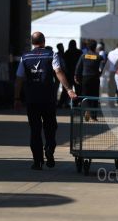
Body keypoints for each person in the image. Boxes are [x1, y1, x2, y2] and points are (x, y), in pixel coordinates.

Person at [14, 32, 77, 170]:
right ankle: (49, 148)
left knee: (35, 130)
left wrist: (17, 98)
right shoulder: (51, 54)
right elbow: (59, 71)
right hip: (48, 98)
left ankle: (37, 162)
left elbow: (19, 79)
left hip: (32, 99)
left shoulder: (24, 57)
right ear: (43, 41)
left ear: (32, 42)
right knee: (50, 127)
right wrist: (68, 89)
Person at [75, 39, 105, 122]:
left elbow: (78, 67)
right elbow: (103, 67)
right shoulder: (99, 57)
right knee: (95, 97)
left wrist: (76, 76)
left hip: (85, 78)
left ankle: (87, 109)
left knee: (85, 95)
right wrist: (99, 73)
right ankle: (94, 116)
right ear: (95, 47)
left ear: (87, 47)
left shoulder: (83, 56)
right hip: (95, 78)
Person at [63, 40, 83, 105]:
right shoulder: (79, 52)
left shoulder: (67, 52)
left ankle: (65, 103)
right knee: (78, 89)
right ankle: (77, 102)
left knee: (67, 89)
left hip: (68, 74)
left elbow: (64, 64)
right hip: (77, 74)